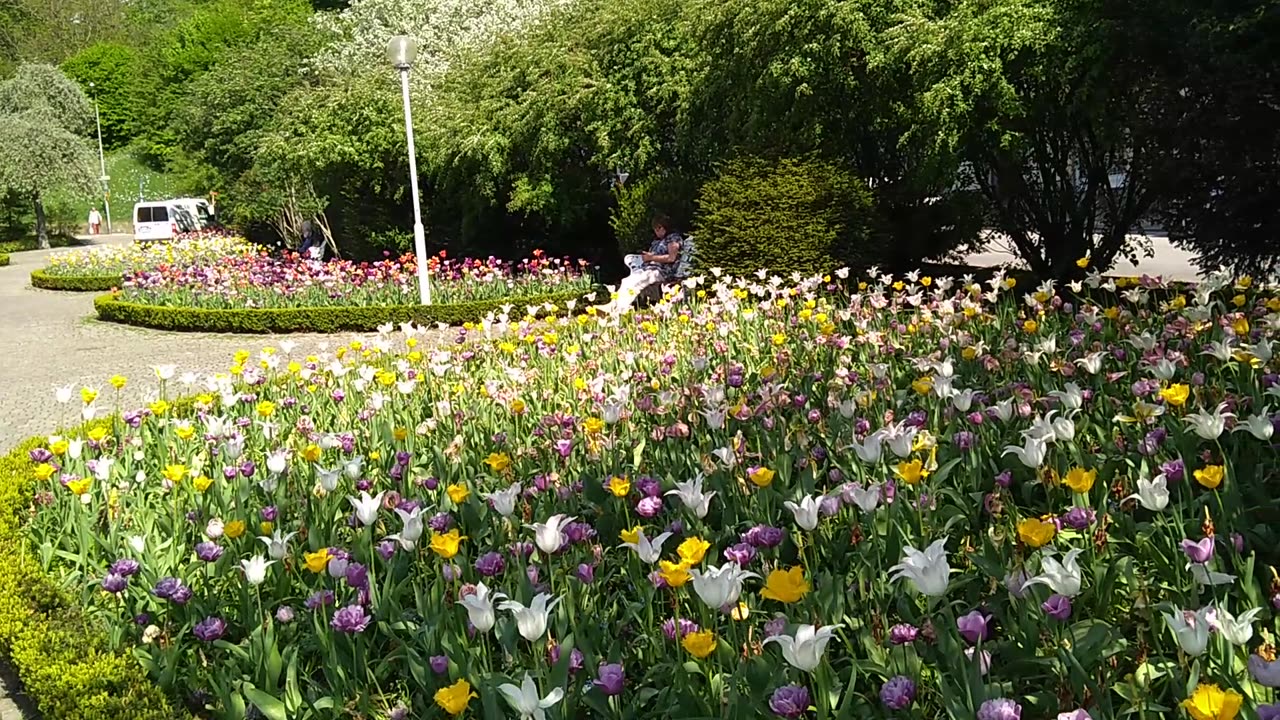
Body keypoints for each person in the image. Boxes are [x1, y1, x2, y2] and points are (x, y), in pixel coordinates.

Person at [603, 214, 683, 315]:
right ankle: (613, 305)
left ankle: (619, 310)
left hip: (662, 272)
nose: (655, 232)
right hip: (650, 269)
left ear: (661, 227)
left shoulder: (673, 239)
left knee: (636, 282)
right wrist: (650, 256)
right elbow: (658, 255)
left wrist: (651, 258)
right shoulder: (658, 241)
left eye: (656, 229)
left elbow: (671, 258)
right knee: (627, 281)